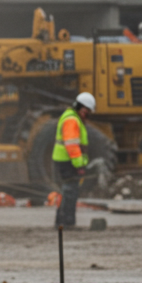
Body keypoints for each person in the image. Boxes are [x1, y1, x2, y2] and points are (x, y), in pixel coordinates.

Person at [53, 92, 95, 228]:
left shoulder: (72, 117)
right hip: (67, 161)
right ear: (83, 110)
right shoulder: (72, 120)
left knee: (68, 191)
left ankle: (62, 222)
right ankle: (67, 223)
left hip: (66, 160)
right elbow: (71, 144)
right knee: (70, 191)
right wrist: (79, 165)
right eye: (88, 112)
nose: (87, 116)